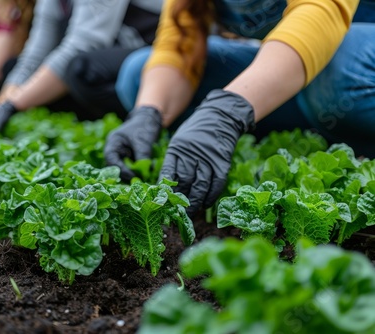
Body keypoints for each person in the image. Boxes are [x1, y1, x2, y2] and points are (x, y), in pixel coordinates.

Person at [104, 0, 375, 218]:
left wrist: (226, 111)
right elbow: (179, 40)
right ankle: (329, 129)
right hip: (312, 79)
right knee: (138, 77)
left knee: (342, 68)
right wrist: (147, 112)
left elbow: (319, 11)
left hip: (356, 67)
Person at [0, 0, 164, 133]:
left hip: (152, 61)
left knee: (83, 69)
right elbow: (37, 50)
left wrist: (13, 105)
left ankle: (129, 125)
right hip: (108, 64)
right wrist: (5, 98)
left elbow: (83, 44)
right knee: (12, 70)